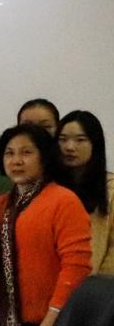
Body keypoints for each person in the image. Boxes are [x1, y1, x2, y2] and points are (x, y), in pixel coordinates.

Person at [0, 124, 91, 326]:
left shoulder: (64, 201)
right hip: (5, 325)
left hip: (50, 322)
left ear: (44, 158)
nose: (16, 161)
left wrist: (54, 316)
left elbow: (77, 266)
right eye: (9, 153)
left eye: (26, 152)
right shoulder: (0, 206)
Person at [56, 111, 114, 275]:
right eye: (62, 139)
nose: (69, 147)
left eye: (80, 140)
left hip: (97, 284)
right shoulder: (49, 187)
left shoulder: (110, 189)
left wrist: (97, 285)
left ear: (95, 144)